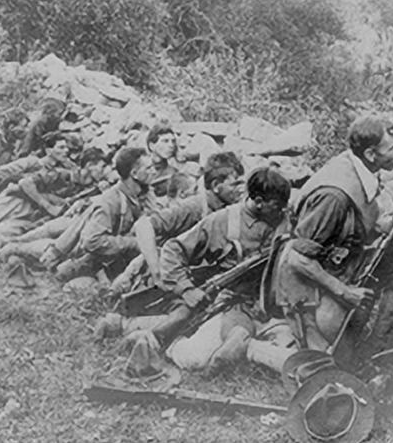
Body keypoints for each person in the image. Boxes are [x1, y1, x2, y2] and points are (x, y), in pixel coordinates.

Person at [104, 167, 292, 375]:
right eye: (276, 206)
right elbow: (173, 249)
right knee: (195, 350)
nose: (281, 211)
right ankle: (137, 331)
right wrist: (186, 289)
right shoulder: (223, 221)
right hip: (226, 300)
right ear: (258, 201)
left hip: (265, 305)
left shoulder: (282, 221)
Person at [270, 114, 393, 353]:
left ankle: (376, 344)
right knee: (332, 354)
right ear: (371, 154)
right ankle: (268, 344)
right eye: (392, 149)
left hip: (335, 265)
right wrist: (346, 293)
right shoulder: (334, 196)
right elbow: (298, 258)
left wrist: (380, 227)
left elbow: (357, 216)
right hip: (305, 284)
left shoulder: (359, 166)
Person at [126, 151, 245, 291]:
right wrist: (157, 273)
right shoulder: (194, 207)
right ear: (216, 185)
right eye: (234, 185)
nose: (240, 190)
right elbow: (143, 226)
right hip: (166, 280)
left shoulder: (228, 209)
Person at [49, 146, 155, 281]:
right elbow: (92, 241)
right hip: (98, 263)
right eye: (148, 168)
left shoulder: (142, 193)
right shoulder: (111, 201)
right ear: (134, 173)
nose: (153, 171)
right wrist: (133, 242)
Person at [0, 134, 83, 241]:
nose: (66, 151)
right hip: (10, 200)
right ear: (48, 150)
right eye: (60, 147)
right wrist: (2, 190)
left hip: (27, 209)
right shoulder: (32, 162)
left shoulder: (60, 170)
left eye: (66, 148)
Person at [145, 124, 178, 203]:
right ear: (152, 146)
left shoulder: (174, 173)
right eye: (165, 141)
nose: (171, 145)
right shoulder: (142, 171)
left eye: (173, 141)